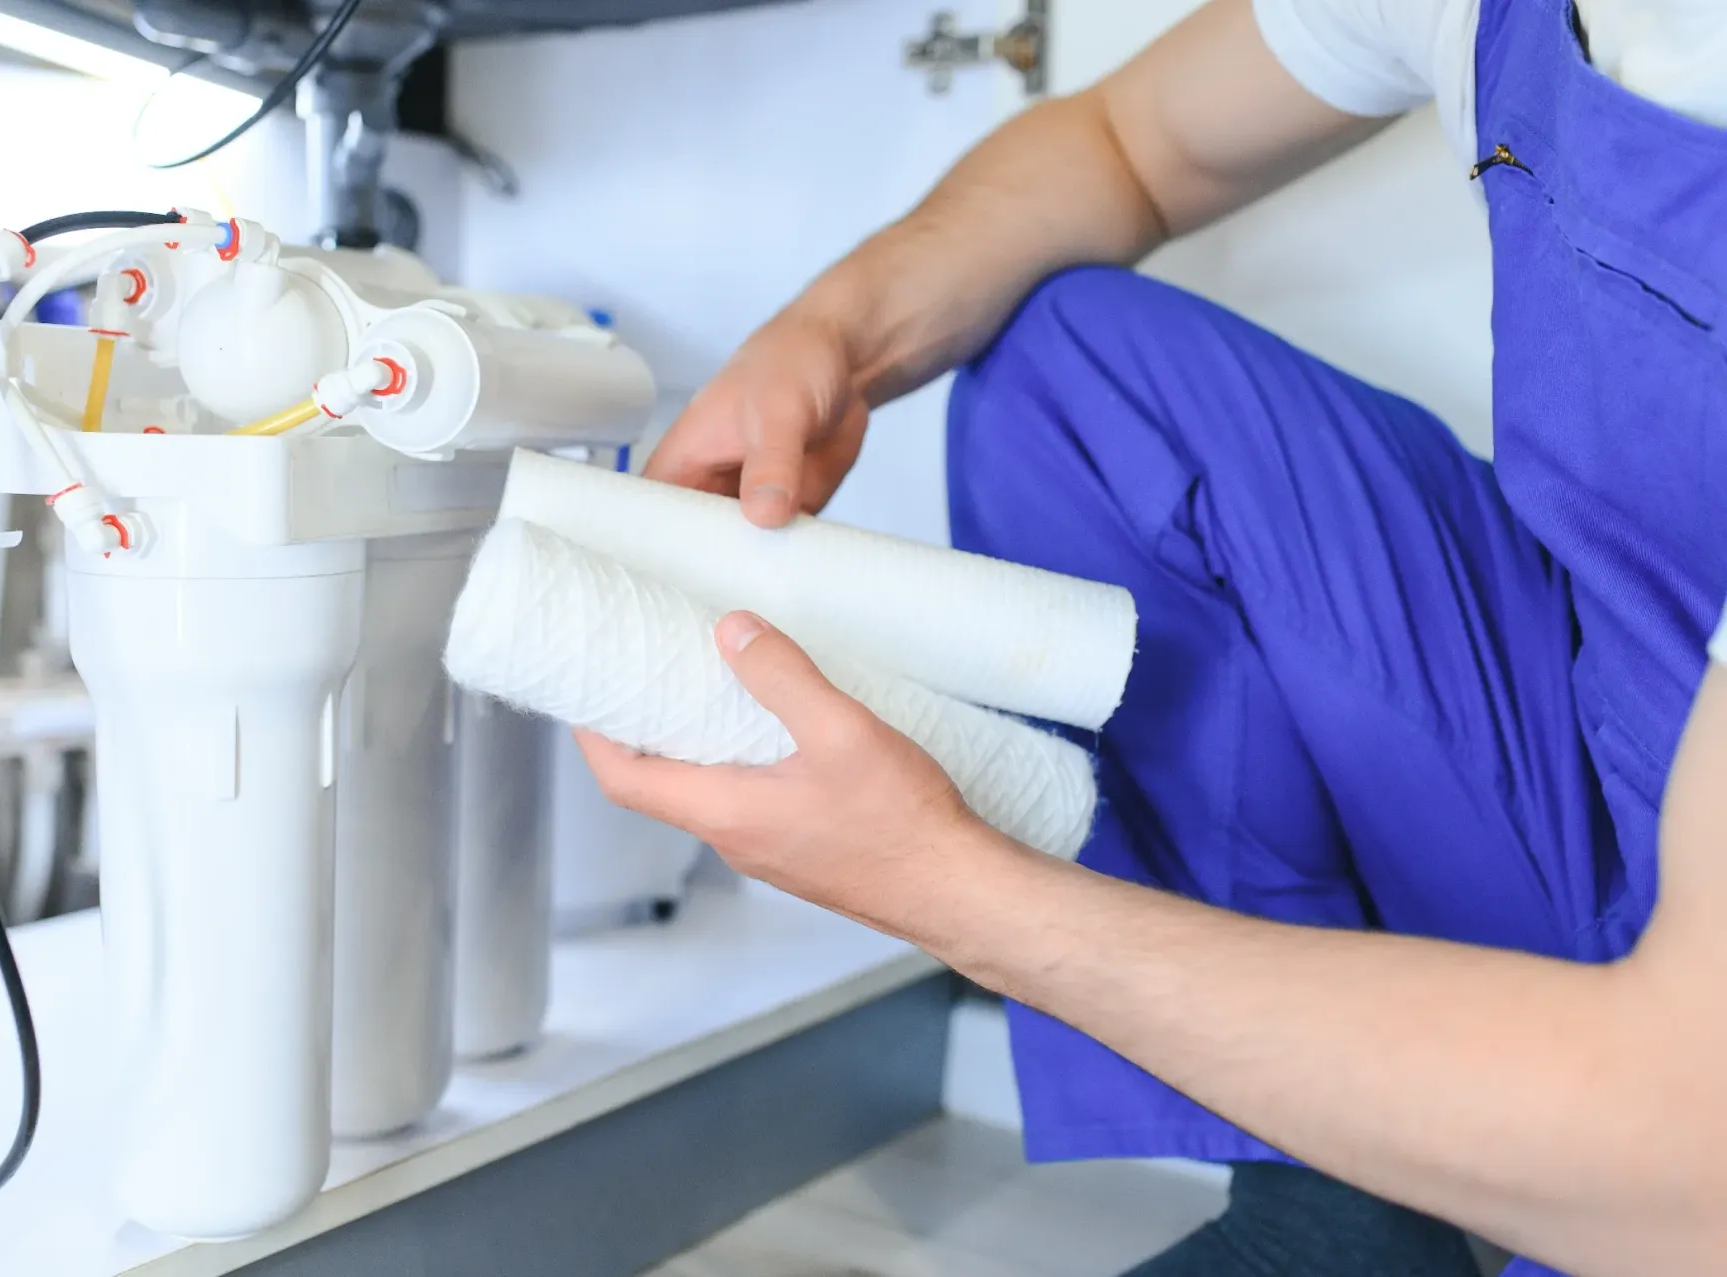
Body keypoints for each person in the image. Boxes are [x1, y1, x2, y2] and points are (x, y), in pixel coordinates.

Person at [573, 0, 1727, 1274]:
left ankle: (1492, 1175)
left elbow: (1691, 1152)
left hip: (1690, 1122)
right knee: (1079, 381)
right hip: (1637, 736)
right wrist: (834, 331)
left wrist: (949, 885)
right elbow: (1128, 142)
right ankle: (1337, 1205)